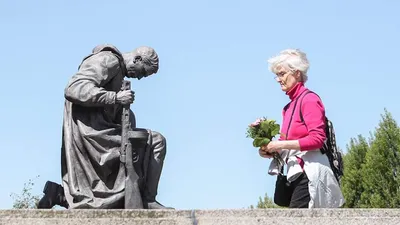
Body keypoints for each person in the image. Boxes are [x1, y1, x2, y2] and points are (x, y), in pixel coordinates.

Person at [37, 44, 171, 209]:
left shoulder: (118, 71)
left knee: (137, 145)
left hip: (99, 130)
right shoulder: (108, 60)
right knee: (156, 142)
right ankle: (147, 199)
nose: (140, 78)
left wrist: (122, 110)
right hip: (92, 134)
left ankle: (58, 194)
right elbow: (74, 88)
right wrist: (114, 97)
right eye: (143, 72)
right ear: (137, 59)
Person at [259, 49, 345, 208]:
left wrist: (280, 145)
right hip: (295, 174)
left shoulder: (309, 99)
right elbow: (287, 145)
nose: (278, 79)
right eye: (277, 75)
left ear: (297, 73)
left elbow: (317, 139)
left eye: (282, 74)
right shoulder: (288, 108)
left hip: (310, 173)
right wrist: (270, 150)